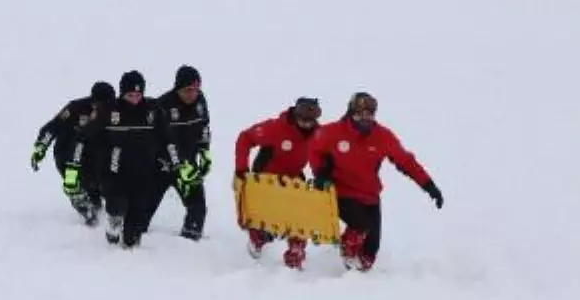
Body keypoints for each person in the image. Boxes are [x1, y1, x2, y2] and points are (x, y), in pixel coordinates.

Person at [309, 92, 444, 271]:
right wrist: (321, 173)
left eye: (370, 114)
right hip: (340, 191)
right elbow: (313, 148)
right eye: (359, 114)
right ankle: (345, 258)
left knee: (370, 251)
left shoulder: (383, 136)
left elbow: (406, 162)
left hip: (369, 195)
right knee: (360, 225)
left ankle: (363, 276)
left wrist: (429, 186)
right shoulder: (331, 132)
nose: (365, 119)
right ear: (350, 112)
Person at [76, 70, 181, 248]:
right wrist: (77, 162)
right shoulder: (109, 110)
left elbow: (168, 139)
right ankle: (113, 225)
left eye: (138, 94)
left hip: (143, 173)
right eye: (130, 95)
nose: (134, 99)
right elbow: (84, 136)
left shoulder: (153, 110)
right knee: (117, 205)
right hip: (114, 171)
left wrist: (177, 163)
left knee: (135, 225)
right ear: (122, 93)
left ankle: (131, 251)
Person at [232, 97, 322, 268]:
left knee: (301, 217)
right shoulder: (275, 128)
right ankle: (258, 237)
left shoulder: (319, 134)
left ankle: (296, 252)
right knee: (270, 223)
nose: (306, 123)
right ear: (295, 114)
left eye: (311, 119)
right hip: (265, 179)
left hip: (293, 179)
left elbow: (327, 156)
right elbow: (245, 138)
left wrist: (324, 176)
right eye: (303, 117)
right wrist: (241, 168)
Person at [140, 65, 212, 240]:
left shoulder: (200, 102)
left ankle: (189, 243)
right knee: (142, 212)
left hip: (188, 166)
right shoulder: (161, 106)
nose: (192, 94)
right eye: (188, 90)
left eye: (196, 89)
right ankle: (132, 247)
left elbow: (204, 127)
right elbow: (152, 142)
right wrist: (177, 164)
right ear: (178, 88)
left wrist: (204, 152)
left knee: (198, 207)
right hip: (159, 167)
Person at [30, 80, 116, 225]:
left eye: (107, 106)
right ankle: (88, 214)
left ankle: (101, 209)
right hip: (65, 154)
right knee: (73, 185)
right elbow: (52, 127)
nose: (101, 109)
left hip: (92, 157)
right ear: (93, 101)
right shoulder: (75, 108)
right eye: (99, 105)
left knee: (99, 191)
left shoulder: (114, 112)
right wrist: (41, 147)